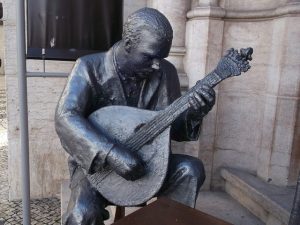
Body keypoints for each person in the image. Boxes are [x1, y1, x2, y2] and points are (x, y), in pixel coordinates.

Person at [55, 7, 215, 225]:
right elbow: (66, 117)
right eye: (149, 57)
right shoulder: (88, 68)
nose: (157, 65)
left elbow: (173, 129)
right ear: (128, 44)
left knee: (190, 170)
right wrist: (111, 153)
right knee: (82, 213)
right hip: (97, 170)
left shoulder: (165, 72)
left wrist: (195, 112)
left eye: (162, 57)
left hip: (150, 164)